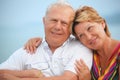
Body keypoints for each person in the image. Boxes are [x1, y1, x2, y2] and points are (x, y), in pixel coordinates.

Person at [0, 1, 93, 80]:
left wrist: (19, 77)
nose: (57, 27)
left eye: (64, 23)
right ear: (44, 21)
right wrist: (28, 74)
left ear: (71, 28)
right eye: (53, 20)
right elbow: (1, 73)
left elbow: (68, 78)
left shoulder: (81, 48)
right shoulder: (30, 48)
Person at [24, 6, 120, 80]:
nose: (89, 37)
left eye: (90, 28)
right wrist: (41, 41)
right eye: (81, 35)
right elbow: (61, 38)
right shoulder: (89, 52)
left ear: (102, 23)